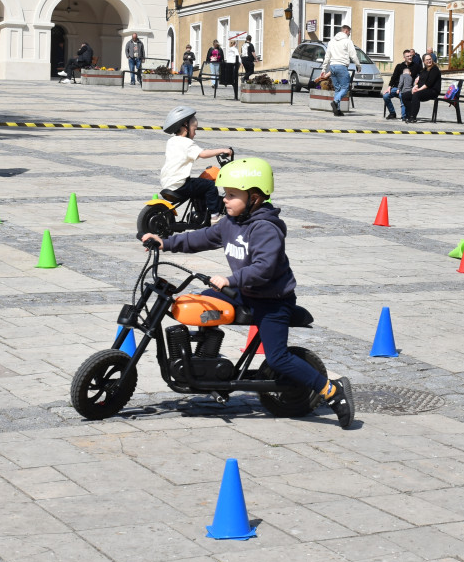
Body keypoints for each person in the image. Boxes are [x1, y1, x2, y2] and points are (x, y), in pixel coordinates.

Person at [140, 158, 354, 428]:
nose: (225, 200)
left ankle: (331, 390)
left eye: (231, 195)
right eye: (224, 194)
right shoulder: (231, 222)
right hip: (241, 292)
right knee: (202, 302)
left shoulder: (266, 228)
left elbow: (264, 268)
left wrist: (231, 278)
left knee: (278, 358)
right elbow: (203, 237)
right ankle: (205, 359)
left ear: (253, 197)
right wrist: (166, 242)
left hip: (272, 300)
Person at [159, 105, 231, 217]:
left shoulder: (171, 141)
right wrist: (222, 150)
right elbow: (203, 154)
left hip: (167, 183)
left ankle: (200, 213)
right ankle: (215, 216)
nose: (195, 133)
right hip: (180, 184)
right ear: (185, 126)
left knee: (199, 186)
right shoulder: (186, 143)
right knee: (210, 186)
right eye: (194, 129)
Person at [321, 25, 359, 116]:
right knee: (345, 88)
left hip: (332, 66)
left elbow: (327, 56)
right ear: (346, 31)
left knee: (337, 88)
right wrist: (358, 65)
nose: (349, 34)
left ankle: (337, 111)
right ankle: (335, 101)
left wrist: (324, 69)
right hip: (342, 66)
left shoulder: (331, 42)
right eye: (349, 32)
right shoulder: (347, 41)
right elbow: (353, 55)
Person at [401, 53, 441, 123]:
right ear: (424, 62)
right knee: (404, 95)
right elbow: (420, 81)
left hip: (433, 91)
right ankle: (410, 114)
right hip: (424, 89)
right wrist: (415, 87)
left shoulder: (435, 69)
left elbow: (428, 83)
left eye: (430, 59)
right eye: (427, 60)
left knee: (416, 95)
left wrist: (418, 90)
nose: (429, 61)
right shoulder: (424, 70)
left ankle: (413, 117)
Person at [382, 49, 420, 120]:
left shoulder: (416, 66)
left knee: (402, 95)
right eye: (407, 56)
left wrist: (418, 77)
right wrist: (389, 87)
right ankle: (392, 113)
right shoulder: (399, 66)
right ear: (404, 58)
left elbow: (422, 74)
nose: (409, 57)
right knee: (385, 96)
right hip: (396, 87)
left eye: (410, 56)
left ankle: (404, 116)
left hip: (408, 89)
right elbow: (394, 77)